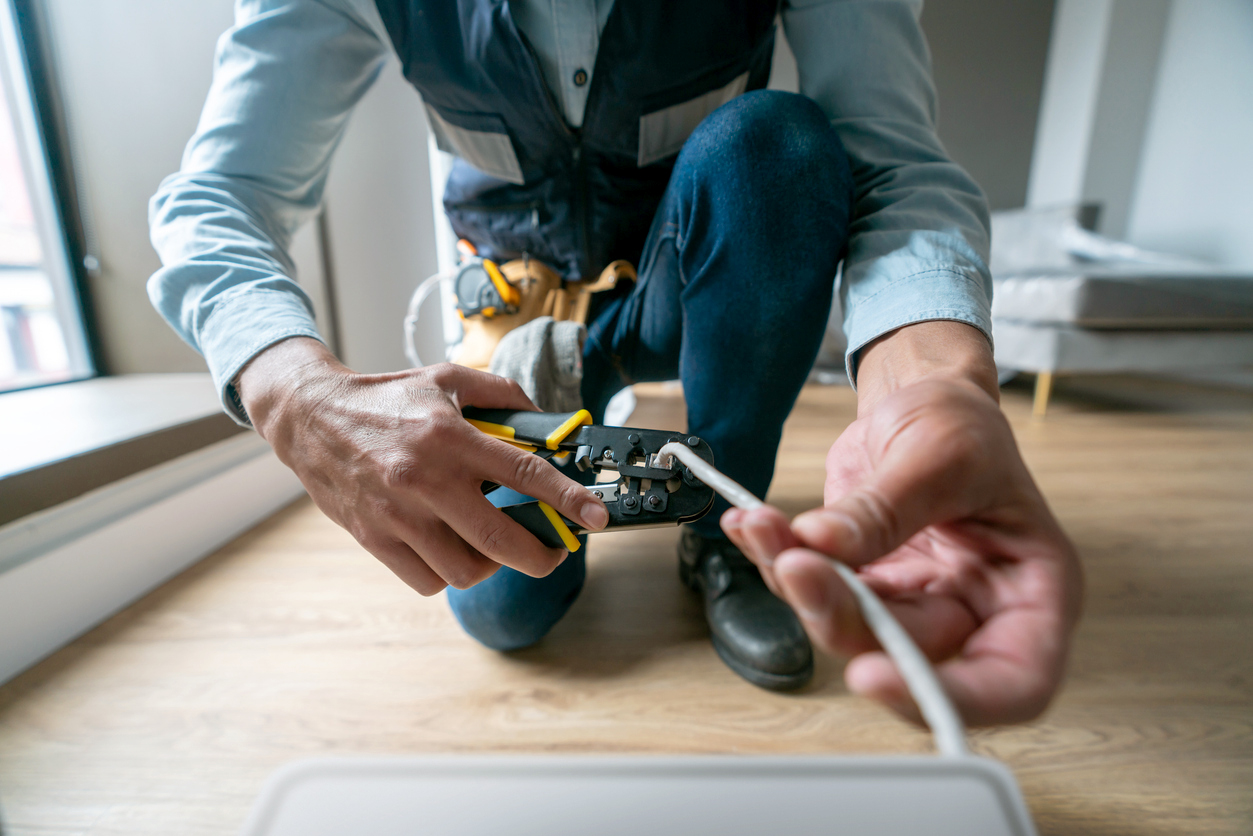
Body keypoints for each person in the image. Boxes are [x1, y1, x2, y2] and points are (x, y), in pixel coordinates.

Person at [149, 0, 1082, 718]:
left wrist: (932, 391)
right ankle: (597, 495)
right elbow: (219, 194)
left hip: (679, 284)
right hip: (517, 324)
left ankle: (723, 537)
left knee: (779, 145)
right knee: (508, 613)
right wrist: (294, 391)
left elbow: (893, 165)